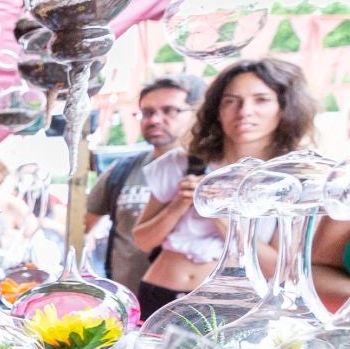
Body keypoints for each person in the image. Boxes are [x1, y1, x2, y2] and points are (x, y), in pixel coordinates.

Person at [131, 59, 314, 318]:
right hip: (161, 293)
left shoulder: (295, 179)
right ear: (217, 109)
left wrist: (221, 211)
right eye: (231, 101)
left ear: (285, 107)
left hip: (238, 307)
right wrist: (179, 205)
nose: (244, 111)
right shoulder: (182, 163)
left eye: (261, 100)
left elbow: (279, 266)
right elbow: (142, 240)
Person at [85, 75, 203, 297]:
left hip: (193, 304)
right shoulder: (121, 171)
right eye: (147, 112)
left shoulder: (213, 170)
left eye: (170, 110)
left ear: (197, 114)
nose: (155, 119)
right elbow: (82, 227)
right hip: (129, 301)